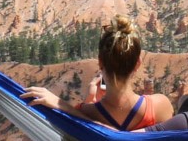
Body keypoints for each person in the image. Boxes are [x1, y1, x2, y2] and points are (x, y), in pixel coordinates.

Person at [20, 15, 174, 130]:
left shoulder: (85, 114)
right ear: (138, 63)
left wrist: (77, 106)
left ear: (100, 62)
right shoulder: (161, 106)